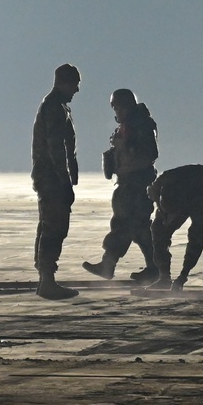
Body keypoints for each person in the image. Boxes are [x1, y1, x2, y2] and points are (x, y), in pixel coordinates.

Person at [83, 89, 161, 282]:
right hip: (128, 181)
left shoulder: (141, 125)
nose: (117, 111)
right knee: (138, 227)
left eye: (119, 106)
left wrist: (130, 147)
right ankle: (155, 268)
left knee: (126, 224)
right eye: (115, 107)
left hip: (137, 183)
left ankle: (108, 265)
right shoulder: (128, 126)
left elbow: (150, 153)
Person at [32, 63, 81, 300]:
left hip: (52, 177)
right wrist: (65, 180)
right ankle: (47, 282)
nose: (77, 90)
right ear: (63, 83)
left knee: (50, 226)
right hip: (51, 178)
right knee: (54, 227)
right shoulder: (53, 108)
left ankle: (45, 279)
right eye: (74, 84)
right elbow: (56, 148)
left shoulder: (59, 107)